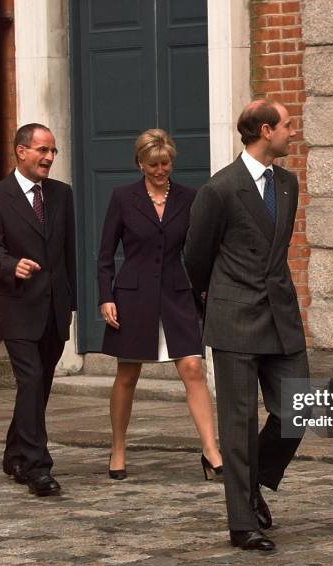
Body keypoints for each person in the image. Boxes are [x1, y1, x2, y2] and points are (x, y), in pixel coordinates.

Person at [184, 99, 309, 552]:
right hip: (235, 317)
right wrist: (218, 302)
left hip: (282, 317)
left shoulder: (289, 184)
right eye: (287, 126)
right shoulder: (219, 189)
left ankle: (253, 483)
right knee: (238, 424)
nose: (292, 132)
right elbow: (195, 258)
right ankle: (242, 523)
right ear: (264, 130)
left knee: (299, 409)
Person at [97, 129, 222, 481]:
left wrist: (205, 291)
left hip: (176, 294)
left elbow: (199, 249)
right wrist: (106, 296)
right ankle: (118, 448)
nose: (160, 169)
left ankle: (211, 450)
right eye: (153, 164)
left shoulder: (190, 197)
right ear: (140, 164)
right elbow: (105, 255)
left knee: (193, 369)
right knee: (127, 374)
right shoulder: (123, 198)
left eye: (165, 163)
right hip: (133, 296)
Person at [0, 123, 77, 496]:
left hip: (55, 307)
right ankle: (37, 467)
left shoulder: (62, 194)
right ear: (21, 151)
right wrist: (12, 266)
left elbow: (68, 252)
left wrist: (71, 302)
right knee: (30, 380)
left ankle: (15, 453)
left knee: (40, 384)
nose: (49, 158)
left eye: (53, 151)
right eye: (42, 150)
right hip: (17, 306)